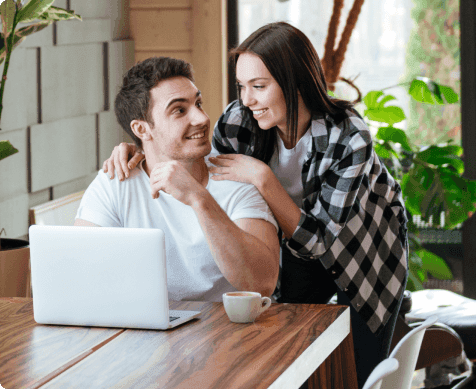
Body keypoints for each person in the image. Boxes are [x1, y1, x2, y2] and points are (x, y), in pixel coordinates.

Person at [103, 22, 408, 385]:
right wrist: (142, 150)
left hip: (363, 250)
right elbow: (198, 163)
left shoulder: (348, 137)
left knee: (357, 371)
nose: (247, 99)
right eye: (242, 86)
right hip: (293, 247)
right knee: (293, 355)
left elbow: (320, 241)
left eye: (259, 87)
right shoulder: (238, 121)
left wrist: (263, 178)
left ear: (296, 83)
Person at [76, 56, 280, 302]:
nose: (202, 119)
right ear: (142, 129)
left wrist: (199, 198)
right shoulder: (116, 182)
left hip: (229, 331)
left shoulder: (236, 177)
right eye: (179, 110)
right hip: (146, 330)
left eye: (199, 103)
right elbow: (81, 274)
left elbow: (263, 283)